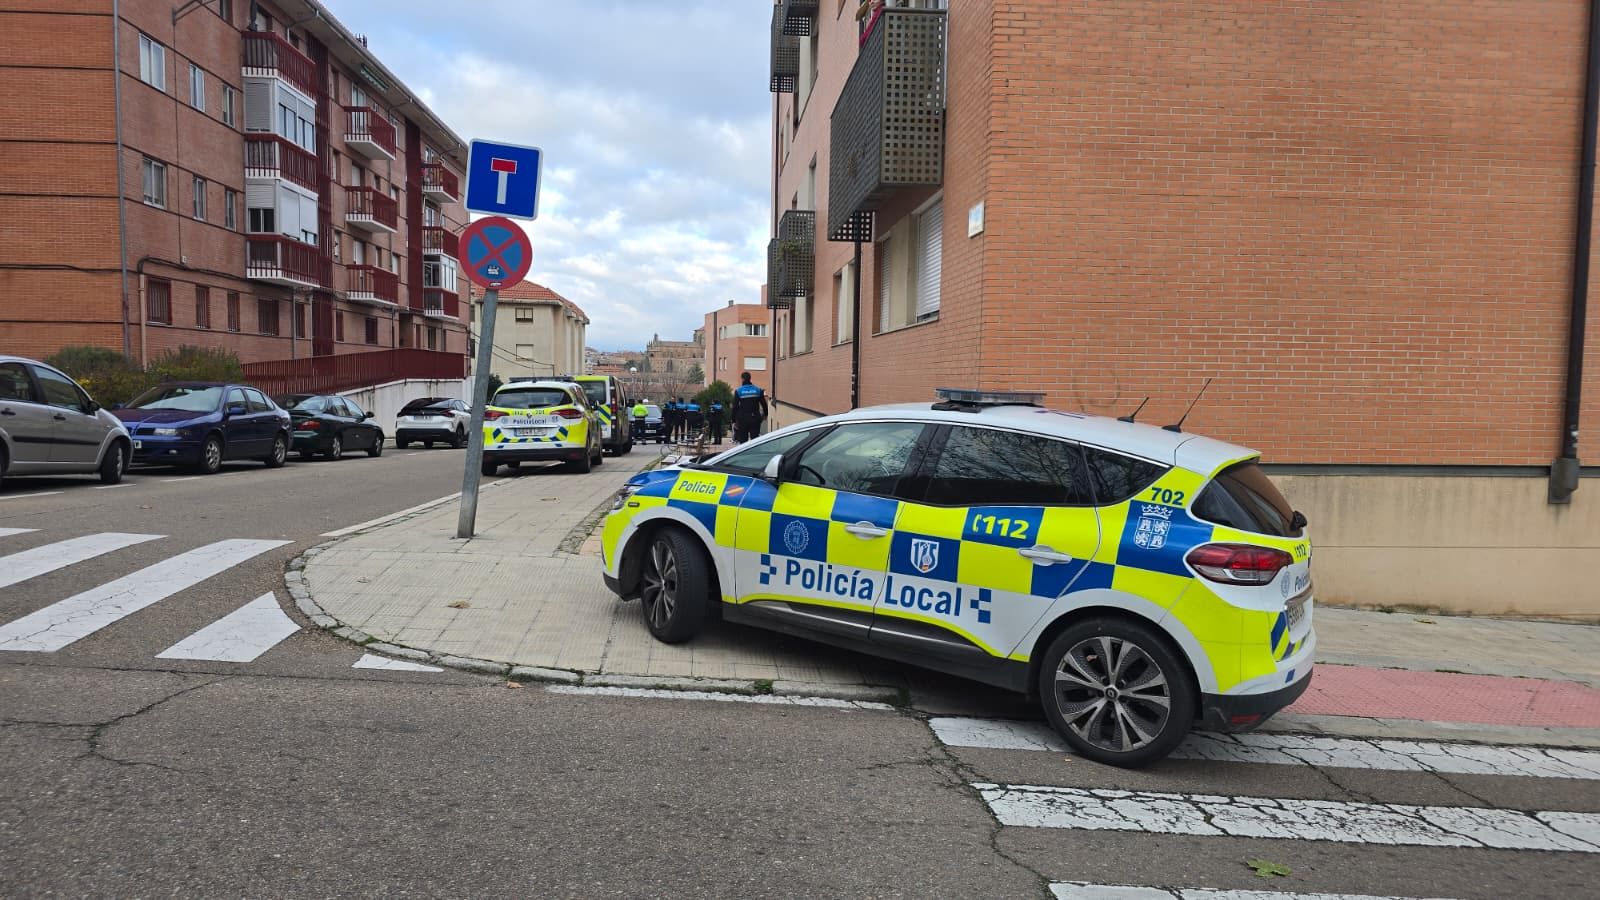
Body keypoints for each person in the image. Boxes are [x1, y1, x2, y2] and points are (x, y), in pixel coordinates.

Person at [731, 372, 768, 444]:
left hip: (743, 419)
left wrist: (734, 420)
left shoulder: (738, 391)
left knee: (743, 440)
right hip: (755, 418)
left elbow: (735, 407)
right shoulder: (758, 390)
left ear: (742, 379)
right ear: (750, 379)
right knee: (755, 440)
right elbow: (764, 404)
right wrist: (765, 414)